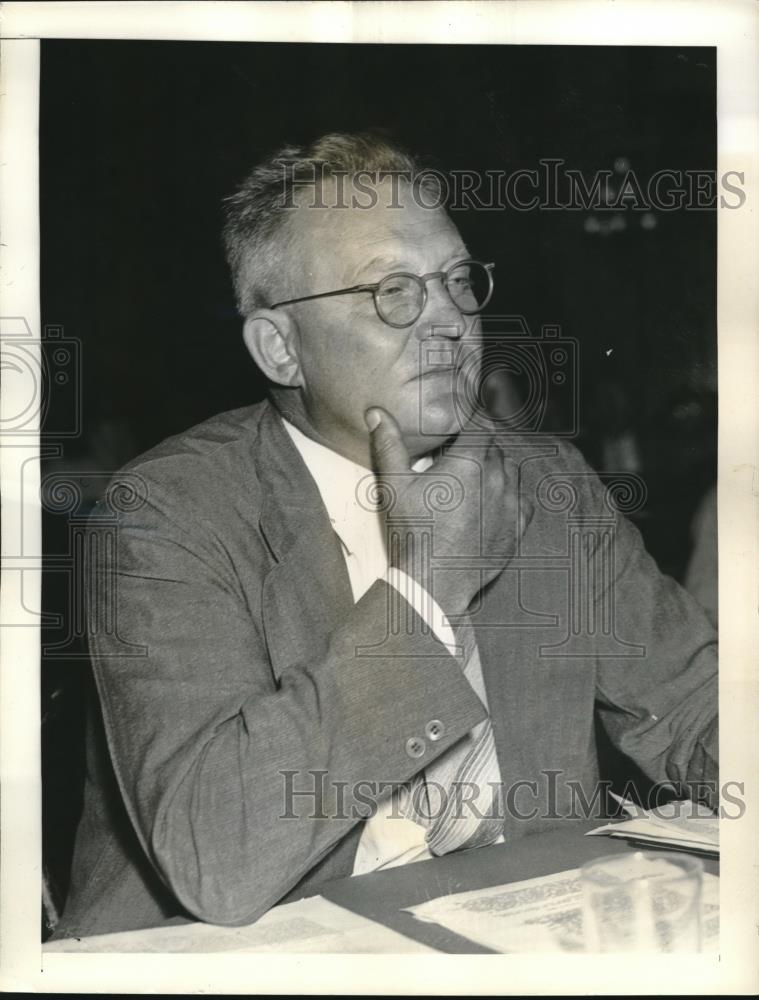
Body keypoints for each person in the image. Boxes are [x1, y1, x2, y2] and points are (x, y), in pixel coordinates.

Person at [53, 133, 718, 939]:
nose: (448, 323)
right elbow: (218, 860)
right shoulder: (165, 515)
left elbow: (694, 707)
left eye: (457, 282)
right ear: (279, 347)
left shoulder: (544, 482)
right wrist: (427, 586)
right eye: (391, 291)